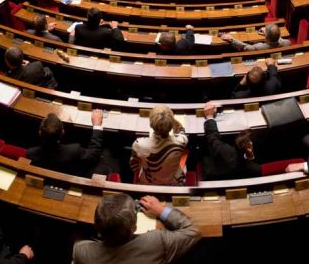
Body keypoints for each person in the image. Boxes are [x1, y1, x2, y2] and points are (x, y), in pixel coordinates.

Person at [72, 193, 201, 264]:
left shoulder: (81, 252)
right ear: (133, 228)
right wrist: (161, 210)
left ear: (97, 229)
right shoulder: (156, 243)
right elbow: (193, 230)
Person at [26, 111, 112, 176]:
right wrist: (97, 125)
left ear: (40, 133)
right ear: (63, 132)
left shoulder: (31, 153)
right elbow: (94, 153)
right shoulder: (74, 150)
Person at [130, 104, 189, 185]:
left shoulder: (139, 144)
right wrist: (173, 122)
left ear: (151, 125)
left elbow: (134, 166)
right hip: (174, 182)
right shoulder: (182, 141)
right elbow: (181, 130)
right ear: (171, 126)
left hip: (148, 182)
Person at [201, 103, 261, 180]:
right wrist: (248, 156)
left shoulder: (226, 152)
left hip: (216, 176)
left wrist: (209, 117)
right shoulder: (256, 169)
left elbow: (213, 139)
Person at [222, 23, 290, 51]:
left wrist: (231, 39)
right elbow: (278, 38)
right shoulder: (287, 43)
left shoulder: (259, 47)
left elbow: (245, 47)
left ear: (266, 36)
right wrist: (268, 34)